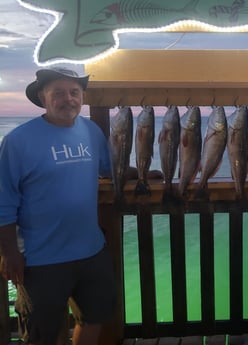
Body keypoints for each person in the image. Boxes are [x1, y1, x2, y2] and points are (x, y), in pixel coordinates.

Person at [0, 67, 116, 345]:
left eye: (74, 92)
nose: (69, 99)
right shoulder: (17, 141)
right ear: (42, 97)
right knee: (43, 333)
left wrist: (143, 174)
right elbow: (4, 200)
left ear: (82, 97)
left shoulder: (91, 131)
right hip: (41, 259)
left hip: (91, 251)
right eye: (59, 93)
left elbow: (107, 169)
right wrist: (9, 252)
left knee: (94, 318)